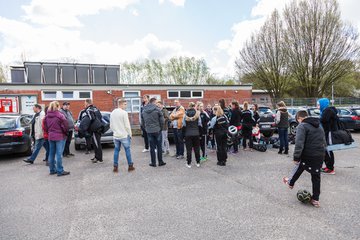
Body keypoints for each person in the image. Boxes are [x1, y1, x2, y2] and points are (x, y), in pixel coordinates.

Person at [282, 110, 326, 207]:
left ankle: (290, 183)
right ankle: (315, 199)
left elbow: (299, 143)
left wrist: (296, 157)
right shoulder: (319, 125)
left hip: (308, 153)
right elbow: (324, 140)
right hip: (319, 154)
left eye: (297, 120)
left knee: (299, 165)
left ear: (299, 118)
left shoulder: (302, 126)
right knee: (316, 176)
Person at [43, 101, 70, 176]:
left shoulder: (46, 116)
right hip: (60, 136)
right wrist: (66, 133)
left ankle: (52, 170)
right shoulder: (60, 116)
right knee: (59, 154)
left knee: (51, 153)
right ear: (57, 107)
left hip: (51, 136)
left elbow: (45, 128)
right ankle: (60, 170)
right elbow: (65, 126)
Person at [110, 98, 135, 173]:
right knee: (127, 150)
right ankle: (130, 166)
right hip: (124, 135)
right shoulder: (124, 113)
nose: (126, 106)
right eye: (125, 104)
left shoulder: (112, 112)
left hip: (116, 135)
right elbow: (127, 125)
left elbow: (111, 125)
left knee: (116, 150)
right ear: (120, 104)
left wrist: (115, 131)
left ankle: (115, 166)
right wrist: (130, 134)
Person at [142, 98, 166, 167]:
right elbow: (162, 121)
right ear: (154, 102)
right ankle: (160, 162)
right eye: (156, 102)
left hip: (149, 131)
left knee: (152, 147)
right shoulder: (157, 110)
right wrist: (160, 128)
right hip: (157, 130)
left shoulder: (144, 110)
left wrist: (146, 129)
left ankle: (153, 163)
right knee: (159, 147)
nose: (157, 103)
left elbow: (143, 122)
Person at [79, 99, 104, 163]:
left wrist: (87, 127)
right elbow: (100, 117)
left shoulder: (88, 109)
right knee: (96, 143)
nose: (84, 104)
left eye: (85, 103)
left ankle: (99, 158)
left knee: (96, 144)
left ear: (87, 103)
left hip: (95, 129)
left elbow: (91, 119)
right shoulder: (96, 108)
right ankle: (96, 156)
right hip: (99, 128)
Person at [318, 98, 337, 175]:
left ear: (323, 104)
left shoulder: (327, 111)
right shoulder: (325, 111)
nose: (317, 106)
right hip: (325, 132)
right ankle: (328, 166)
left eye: (319, 104)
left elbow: (323, 120)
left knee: (328, 149)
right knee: (325, 150)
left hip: (328, 132)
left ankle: (330, 168)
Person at [182, 102, 202, 168]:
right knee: (197, 148)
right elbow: (200, 124)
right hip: (196, 133)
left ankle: (189, 163)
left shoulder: (185, 114)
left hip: (188, 133)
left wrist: (183, 134)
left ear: (189, 106)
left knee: (189, 149)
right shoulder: (197, 114)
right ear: (194, 106)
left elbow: (184, 125)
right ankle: (198, 162)